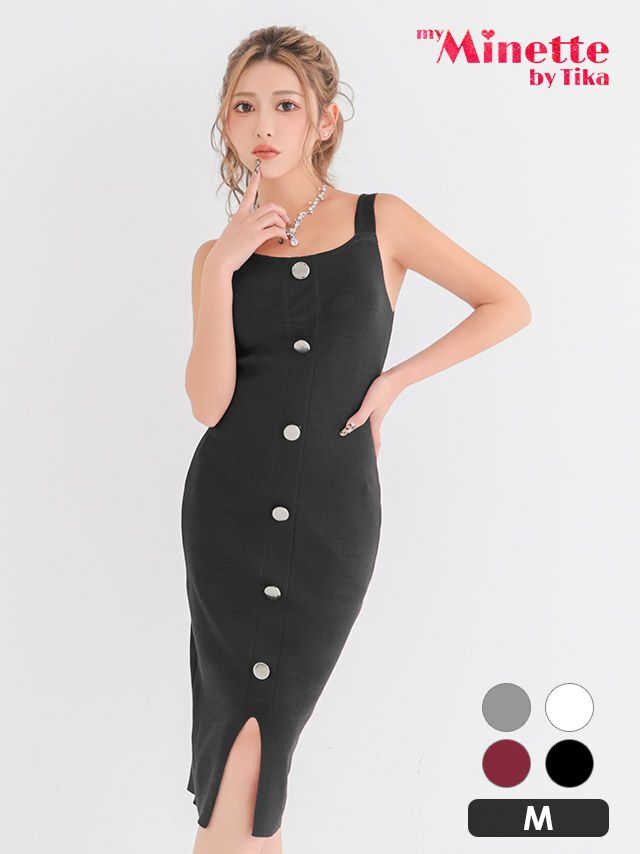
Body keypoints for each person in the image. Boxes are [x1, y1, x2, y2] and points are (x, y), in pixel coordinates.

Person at [182, 24, 531, 854]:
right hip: (228, 515)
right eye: (244, 107)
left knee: (262, 756)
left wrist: (395, 381)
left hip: (330, 520)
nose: (264, 124)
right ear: (226, 122)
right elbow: (207, 403)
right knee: (242, 766)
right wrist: (223, 267)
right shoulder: (214, 255)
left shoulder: (383, 222)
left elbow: (507, 305)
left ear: (325, 119)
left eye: (285, 105)